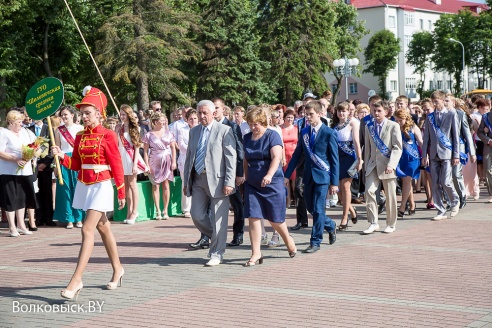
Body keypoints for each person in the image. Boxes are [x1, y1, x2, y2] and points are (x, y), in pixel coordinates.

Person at [51, 86, 126, 299]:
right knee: (104, 227)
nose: (84, 117)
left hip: (102, 185)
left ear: (99, 114)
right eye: (82, 113)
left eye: (87, 113)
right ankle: (118, 269)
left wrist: (120, 190)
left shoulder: (109, 135)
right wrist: (61, 156)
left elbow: (116, 164)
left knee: (87, 229)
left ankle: (76, 280)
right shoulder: (81, 136)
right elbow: (76, 164)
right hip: (85, 184)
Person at [182, 100, 236, 266]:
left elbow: (230, 157)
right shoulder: (194, 131)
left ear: (214, 113)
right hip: (198, 178)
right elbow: (189, 157)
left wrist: (229, 181)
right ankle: (218, 236)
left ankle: (217, 253)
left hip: (218, 180)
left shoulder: (224, 130)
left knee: (219, 217)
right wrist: (186, 181)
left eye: (205, 113)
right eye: (199, 113)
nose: (202, 116)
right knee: (196, 214)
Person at [242, 107, 297, 265]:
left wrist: (269, 175)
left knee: (275, 219)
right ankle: (256, 253)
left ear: (263, 122)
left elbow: (276, 157)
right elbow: (245, 159)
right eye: (250, 124)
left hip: (272, 182)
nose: (253, 127)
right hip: (253, 183)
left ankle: (288, 241)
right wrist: (245, 176)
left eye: (256, 124)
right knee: (253, 217)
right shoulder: (247, 138)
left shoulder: (272, 135)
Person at [284, 101, 338, 253]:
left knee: (319, 209)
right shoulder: (305, 132)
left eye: (311, 114)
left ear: (320, 114)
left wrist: (334, 183)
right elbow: (296, 155)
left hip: (322, 177)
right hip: (308, 175)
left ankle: (315, 241)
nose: (308, 117)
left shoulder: (329, 133)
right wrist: (287, 175)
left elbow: (334, 160)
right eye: (306, 114)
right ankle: (330, 225)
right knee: (311, 208)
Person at [362, 100, 402, 234]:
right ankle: (373, 222)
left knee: (390, 195)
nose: (376, 113)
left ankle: (391, 223)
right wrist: (366, 165)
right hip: (372, 165)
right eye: (374, 110)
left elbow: (397, 148)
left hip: (387, 165)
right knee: (369, 191)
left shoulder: (393, 126)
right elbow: (367, 148)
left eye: (379, 111)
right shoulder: (369, 126)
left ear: (386, 112)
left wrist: (392, 164)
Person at [421, 91, 460, 221]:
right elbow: (426, 137)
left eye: (436, 101)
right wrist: (424, 155)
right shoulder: (430, 117)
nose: (434, 103)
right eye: (433, 101)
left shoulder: (451, 114)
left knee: (445, 181)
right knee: (435, 183)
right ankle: (440, 210)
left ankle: (455, 201)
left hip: (447, 153)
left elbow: (455, 136)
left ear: (443, 101)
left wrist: (456, 155)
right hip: (433, 154)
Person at [0, 110, 38, 236]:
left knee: (21, 198)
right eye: (19, 122)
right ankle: (12, 227)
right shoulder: (3, 132)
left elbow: (34, 145)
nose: (22, 124)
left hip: (24, 170)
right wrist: (15, 159)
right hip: (8, 171)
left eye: (22, 121)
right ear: (11, 122)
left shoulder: (25, 133)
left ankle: (21, 225)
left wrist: (33, 152)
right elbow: (0, 152)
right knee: (11, 198)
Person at [331, 102, 362, 230]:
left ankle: (344, 218)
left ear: (348, 111)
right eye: (339, 111)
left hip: (349, 158)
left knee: (345, 186)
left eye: (344, 111)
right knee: (337, 190)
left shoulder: (353, 123)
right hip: (337, 158)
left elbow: (356, 141)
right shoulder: (334, 125)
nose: (341, 113)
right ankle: (352, 210)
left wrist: (360, 159)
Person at [53, 106, 85, 229]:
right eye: (62, 115)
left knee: (78, 189)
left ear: (72, 115)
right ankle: (69, 218)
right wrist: (56, 166)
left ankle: (79, 218)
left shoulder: (81, 129)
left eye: (66, 114)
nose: (64, 117)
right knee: (66, 189)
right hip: (64, 159)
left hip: (77, 160)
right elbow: (57, 148)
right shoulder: (58, 130)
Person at [142, 112, 177, 220]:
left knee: (166, 185)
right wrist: (146, 165)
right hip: (154, 160)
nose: (163, 122)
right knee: (155, 185)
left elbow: (173, 148)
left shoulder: (169, 133)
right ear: (155, 122)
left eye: (164, 120)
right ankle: (157, 210)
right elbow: (145, 151)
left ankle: (165, 210)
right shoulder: (148, 135)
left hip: (166, 159)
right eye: (161, 120)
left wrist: (174, 161)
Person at [445, 94, 476, 209]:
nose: (445, 103)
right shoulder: (441, 114)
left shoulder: (460, 114)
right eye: (444, 101)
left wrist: (472, 152)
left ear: (453, 103)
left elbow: (467, 134)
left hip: (459, 148)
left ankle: (462, 195)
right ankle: (451, 199)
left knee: (456, 173)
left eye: (447, 101)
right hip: (445, 148)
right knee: (446, 176)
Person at [116, 105, 146, 224]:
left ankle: (135, 211)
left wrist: (135, 164)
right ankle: (128, 211)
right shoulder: (119, 127)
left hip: (131, 158)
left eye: (124, 114)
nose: (122, 116)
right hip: (121, 158)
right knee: (126, 186)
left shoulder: (136, 128)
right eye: (120, 114)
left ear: (128, 115)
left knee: (133, 185)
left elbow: (137, 148)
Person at [394, 109, 423, 218]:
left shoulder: (413, 127)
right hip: (401, 159)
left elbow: (420, 142)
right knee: (406, 182)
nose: (398, 122)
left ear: (406, 118)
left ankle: (402, 206)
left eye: (400, 120)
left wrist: (425, 155)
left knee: (407, 180)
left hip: (412, 158)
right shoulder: (395, 128)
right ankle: (412, 204)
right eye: (396, 120)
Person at [29, 118, 56, 227]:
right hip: (33, 165)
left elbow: (52, 147)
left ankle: (48, 218)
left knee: (47, 191)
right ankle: (38, 218)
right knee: (36, 192)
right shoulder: (29, 129)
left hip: (46, 165)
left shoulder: (48, 128)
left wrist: (45, 163)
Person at [177, 109, 198, 218]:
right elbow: (181, 144)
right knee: (186, 183)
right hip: (185, 159)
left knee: (198, 184)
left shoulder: (201, 129)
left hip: (198, 160)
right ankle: (186, 208)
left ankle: (197, 207)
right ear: (187, 120)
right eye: (191, 119)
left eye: (195, 118)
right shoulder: (182, 130)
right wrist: (192, 150)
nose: (193, 121)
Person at [282, 109, 298, 209]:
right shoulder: (280, 128)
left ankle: (296, 199)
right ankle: (288, 200)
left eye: (292, 118)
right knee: (286, 179)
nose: (290, 119)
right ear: (284, 118)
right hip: (284, 155)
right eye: (288, 117)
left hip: (294, 155)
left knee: (294, 179)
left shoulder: (296, 128)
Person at [477, 99, 492, 203]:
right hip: (489, 146)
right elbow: (480, 132)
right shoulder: (485, 117)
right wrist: (488, 140)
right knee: (488, 170)